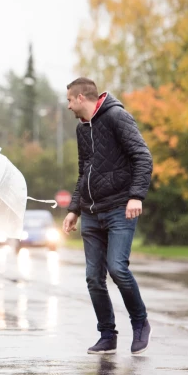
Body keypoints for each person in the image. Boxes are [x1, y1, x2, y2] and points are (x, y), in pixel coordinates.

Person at [62, 78, 153, 355]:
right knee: (93, 277)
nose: (67, 106)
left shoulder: (116, 116)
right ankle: (107, 335)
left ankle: (140, 323)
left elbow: (142, 156)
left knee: (117, 269)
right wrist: (74, 209)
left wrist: (136, 195)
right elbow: (84, 171)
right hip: (91, 211)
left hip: (118, 207)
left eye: (68, 100)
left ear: (80, 98)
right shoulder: (81, 129)